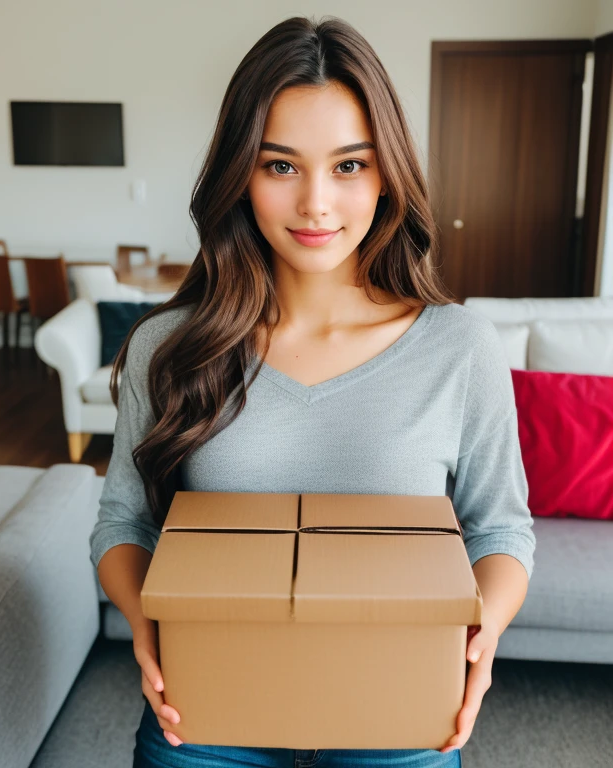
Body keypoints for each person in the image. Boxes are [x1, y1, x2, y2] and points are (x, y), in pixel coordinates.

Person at [91, 14, 536, 768]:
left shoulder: (460, 349)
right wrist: (146, 626)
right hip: (205, 714)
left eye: (350, 166)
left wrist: (479, 635)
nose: (317, 206)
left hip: (399, 713)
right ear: (240, 172)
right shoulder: (167, 350)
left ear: (388, 171)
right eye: (282, 166)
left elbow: (500, 531)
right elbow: (123, 522)